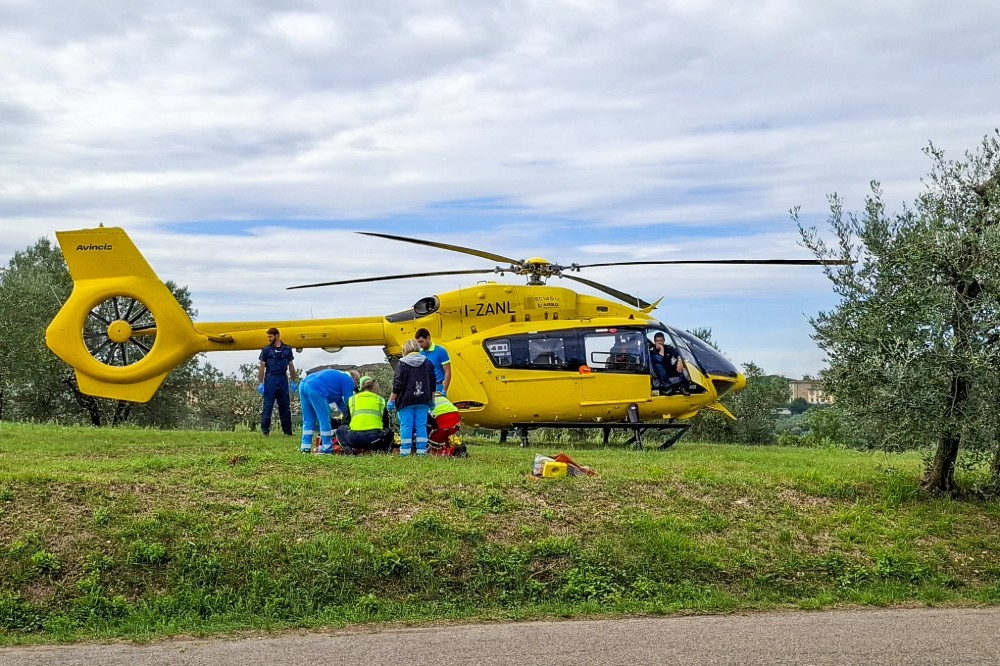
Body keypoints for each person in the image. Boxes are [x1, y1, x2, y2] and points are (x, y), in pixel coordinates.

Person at [389, 339, 436, 456]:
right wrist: (432, 400)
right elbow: (432, 384)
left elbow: (397, 384)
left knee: (406, 426)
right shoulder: (428, 363)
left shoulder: (402, 364)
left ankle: (405, 451)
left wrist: (391, 400)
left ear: (405, 350)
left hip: (405, 401)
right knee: (421, 426)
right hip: (423, 400)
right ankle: (421, 451)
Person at [298, 368, 359, 454]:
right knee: (324, 418)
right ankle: (327, 447)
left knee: (308, 419)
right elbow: (349, 402)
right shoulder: (348, 379)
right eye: (356, 384)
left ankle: (305, 448)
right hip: (317, 387)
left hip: (303, 384)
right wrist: (354, 417)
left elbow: (342, 405)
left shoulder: (338, 377)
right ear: (355, 380)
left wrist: (346, 414)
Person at [336, 376, 393, 453]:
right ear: (374, 388)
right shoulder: (381, 400)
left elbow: (345, 422)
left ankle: (348, 450)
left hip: (355, 439)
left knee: (340, 429)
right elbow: (385, 424)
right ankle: (384, 450)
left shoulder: (352, 399)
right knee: (389, 432)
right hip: (375, 439)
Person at [257, 327, 297, 436]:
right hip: (270, 378)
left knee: (285, 406)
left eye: (270, 337)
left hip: (282, 378)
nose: (269, 339)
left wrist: (293, 380)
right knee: (267, 407)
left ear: (277, 336)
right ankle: (265, 431)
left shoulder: (287, 349)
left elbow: (291, 365)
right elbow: (262, 366)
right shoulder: (266, 350)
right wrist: (260, 382)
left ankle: (287, 432)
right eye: (268, 337)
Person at [415, 327, 451, 395]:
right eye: (418, 342)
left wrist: (444, 390)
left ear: (428, 338)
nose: (420, 344)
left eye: (421, 341)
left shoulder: (441, 351)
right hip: (424, 388)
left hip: (438, 387)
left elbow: (448, 372)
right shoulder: (420, 353)